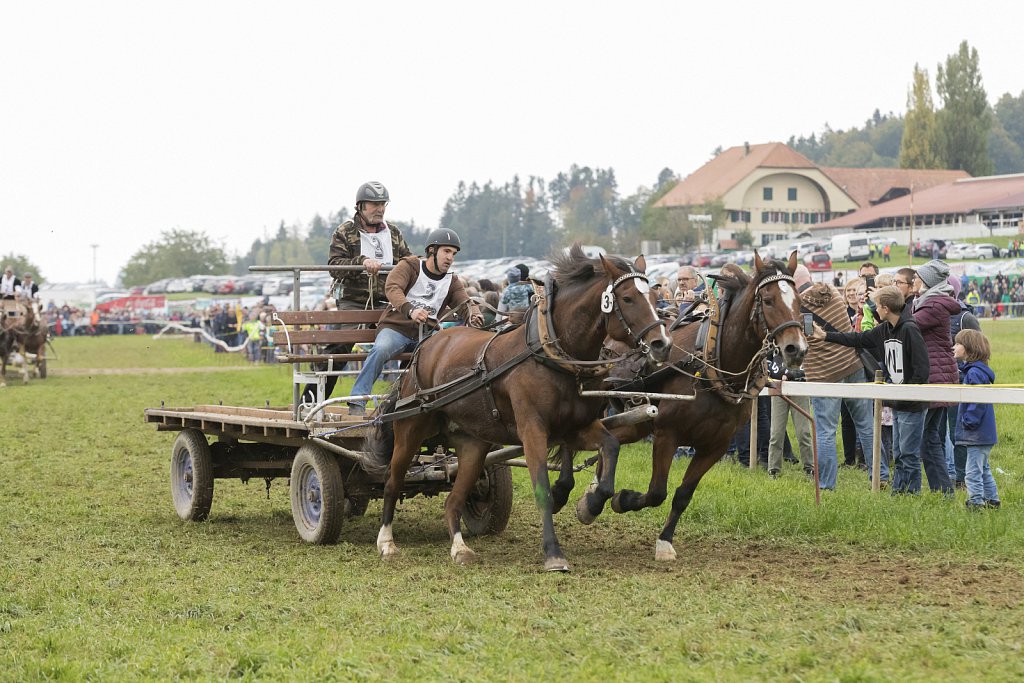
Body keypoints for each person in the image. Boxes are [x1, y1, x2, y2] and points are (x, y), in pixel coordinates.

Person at [347, 228, 481, 416]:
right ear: (432, 251)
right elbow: (393, 288)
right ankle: (357, 401)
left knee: (448, 359)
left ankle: (439, 408)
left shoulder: (452, 280)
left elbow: (465, 301)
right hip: (396, 328)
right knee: (381, 349)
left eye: (454, 253)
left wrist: (474, 314)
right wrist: (410, 309)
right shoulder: (410, 266)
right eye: (446, 251)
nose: (450, 258)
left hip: (427, 335)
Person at [302, 181, 414, 402]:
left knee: (412, 339)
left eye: (383, 204)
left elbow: (408, 262)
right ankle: (310, 401)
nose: (380, 209)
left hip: (388, 303)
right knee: (340, 349)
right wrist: (361, 262)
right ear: (361, 206)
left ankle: (402, 398)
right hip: (354, 302)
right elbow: (334, 266)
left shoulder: (394, 233)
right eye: (374, 204)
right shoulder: (345, 232)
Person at [814, 286, 929, 494]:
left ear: (885, 308)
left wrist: (908, 393)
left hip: (912, 403)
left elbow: (922, 368)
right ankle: (898, 491)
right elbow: (857, 339)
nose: (875, 309)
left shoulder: (910, 329)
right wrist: (826, 336)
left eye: (877, 306)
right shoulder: (884, 329)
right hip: (897, 403)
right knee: (900, 452)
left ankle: (912, 493)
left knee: (909, 454)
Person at [795, 265, 880, 490]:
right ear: (810, 279)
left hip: (823, 374)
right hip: (852, 365)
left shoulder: (796, 309)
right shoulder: (832, 292)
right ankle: (880, 476)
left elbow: (804, 341)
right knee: (867, 426)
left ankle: (826, 484)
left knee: (825, 431)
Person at [911, 260, 959, 495]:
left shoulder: (933, 306)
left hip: (935, 376)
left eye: (917, 277)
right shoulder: (928, 302)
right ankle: (942, 490)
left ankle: (943, 490)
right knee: (929, 437)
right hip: (937, 375)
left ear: (928, 282)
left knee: (927, 439)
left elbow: (906, 327)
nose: (914, 281)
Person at [953, 329, 999, 510]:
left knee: (972, 471)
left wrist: (968, 421)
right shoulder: (973, 371)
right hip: (983, 433)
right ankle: (992, 499)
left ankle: (976, 502)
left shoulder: (974, 374)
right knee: (984, 468)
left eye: (957, 344)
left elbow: (976, 403)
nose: (953, 347)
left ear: (969, 349)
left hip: (977, 432)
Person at [945, 275, 981, 488]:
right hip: (938, 381)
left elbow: (980, 349)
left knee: (958, 431)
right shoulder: (930, 312)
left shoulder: (965, 318)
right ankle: (946, 472)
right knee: (939, 433)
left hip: (961, 381)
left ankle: (962, 476)